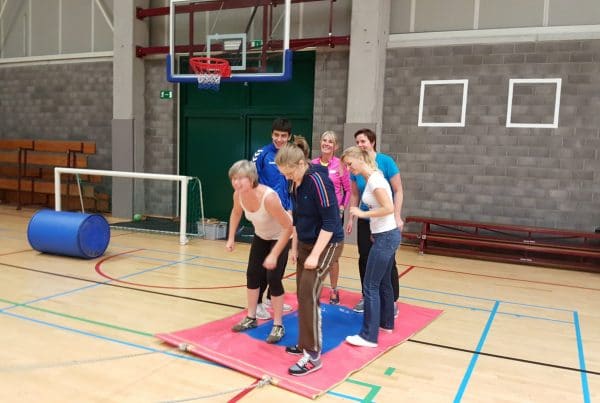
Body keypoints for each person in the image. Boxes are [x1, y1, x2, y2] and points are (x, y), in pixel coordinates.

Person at [275, 143, 344, 376]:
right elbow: (297, 217)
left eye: (290, 173)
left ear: (301, 164)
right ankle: (305, 343)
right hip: (305, 242)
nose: (287, 177)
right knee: (303, 294)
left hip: (328, 243)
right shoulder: (293, 182)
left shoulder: (318, 181)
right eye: (284, 174)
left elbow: (331, 223)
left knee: (308, 293)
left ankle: (313, 355)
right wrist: (294, 247)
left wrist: (315, 255)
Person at [225, 160, 293, 344]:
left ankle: (278, 325)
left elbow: (288, 227)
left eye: (241, 178)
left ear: (252, 178)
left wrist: (274, 254)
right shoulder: (238, 195)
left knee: (273, 278)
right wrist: (231, 238)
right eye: (233, 178)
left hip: (281, 236)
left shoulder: (268, 198)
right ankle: (251, 317)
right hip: (261, 236)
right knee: (252, 275)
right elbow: (236, 212)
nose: (236, 182)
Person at [341, 147, 401, 347]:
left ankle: (368, 336)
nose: (348, 169)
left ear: (360, 158)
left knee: (370, 285)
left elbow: (389, 208)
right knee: (384, 282)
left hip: (386, 237)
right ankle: (386, 323)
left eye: (350, 164)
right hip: (385, 235)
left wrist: (363, 214)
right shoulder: (372, 177)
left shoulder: (375, 180)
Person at [345, 128, 404, 315]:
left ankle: (391, 300)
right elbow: (355, 194)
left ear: (372, 142)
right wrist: (352, 218)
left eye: (363, 141)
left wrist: (397, 216)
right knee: (365, 257)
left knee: (387, 260)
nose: (360, 145)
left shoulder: (385, 162)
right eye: (357, 142)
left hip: (384, 219)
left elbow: (398, 191)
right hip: (366, 218)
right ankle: (367, 296)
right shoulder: (355, 167)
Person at [253, 118, 294, 319]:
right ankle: (258, 302)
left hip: (285, 215)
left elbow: (293, 185)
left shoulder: (292, 156)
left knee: (280, 260)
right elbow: (252, 182)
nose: (279, 139)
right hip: (266, 214)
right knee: (263, 261)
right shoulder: (262, 154)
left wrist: (291, 209)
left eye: (283, 136)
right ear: (272, 134)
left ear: (289, 137)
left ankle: (271, 296)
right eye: (276, 135)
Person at [311, 130, 350, 305]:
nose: (326, 144)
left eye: (330, 141)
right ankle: (316, 287)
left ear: (336, 146)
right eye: (324, 140)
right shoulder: (313, 164)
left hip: (333, 216)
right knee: (316, 252)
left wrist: (342, 207)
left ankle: (334, 289)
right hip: (316, 216)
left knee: (333, 256)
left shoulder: (340, 165)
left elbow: (348, 190)